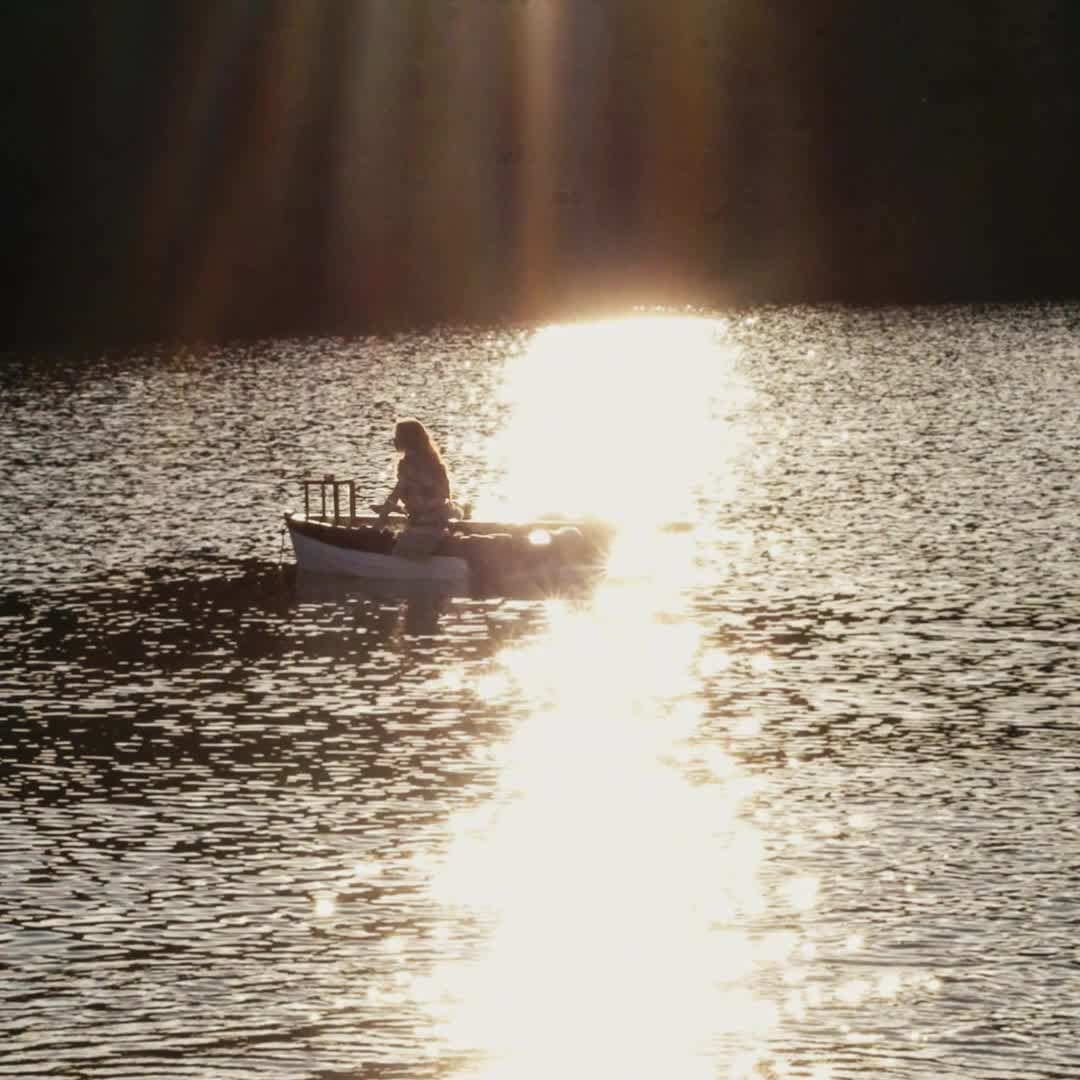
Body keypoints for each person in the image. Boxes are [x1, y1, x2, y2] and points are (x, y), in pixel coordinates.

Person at [371, 418, 458, 559]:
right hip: (438, 523)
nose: (394, 440)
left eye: (397, 436)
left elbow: (396, 495)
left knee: (397, 554)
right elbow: (428, 499)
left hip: (425, 529)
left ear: (407, 439)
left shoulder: (409, 465)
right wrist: (395, 509)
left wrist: (377, 525)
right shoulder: (434, 462)